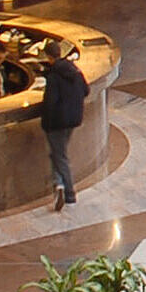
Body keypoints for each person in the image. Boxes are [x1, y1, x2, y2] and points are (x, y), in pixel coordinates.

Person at [39, 43, 88, 207]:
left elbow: (50, 102)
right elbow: (86, 90)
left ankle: (69, 192)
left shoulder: (53, 76)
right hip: (74, 118)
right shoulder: (74, 70)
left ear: (48, 57)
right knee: (56, 153)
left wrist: (46, 122)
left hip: (57, 122)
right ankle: (58, 185)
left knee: (60, 156)